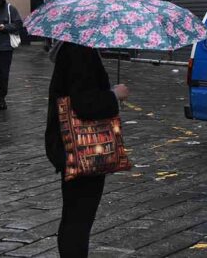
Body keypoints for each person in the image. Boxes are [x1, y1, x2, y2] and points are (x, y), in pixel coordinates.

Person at [45, 41, 130, 258]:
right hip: (80, 149)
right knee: (78, 219)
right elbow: (84, 103)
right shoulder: (80, 51)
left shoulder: (73, 48)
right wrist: (114, 95)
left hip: (68, 147)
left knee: (75, 216)